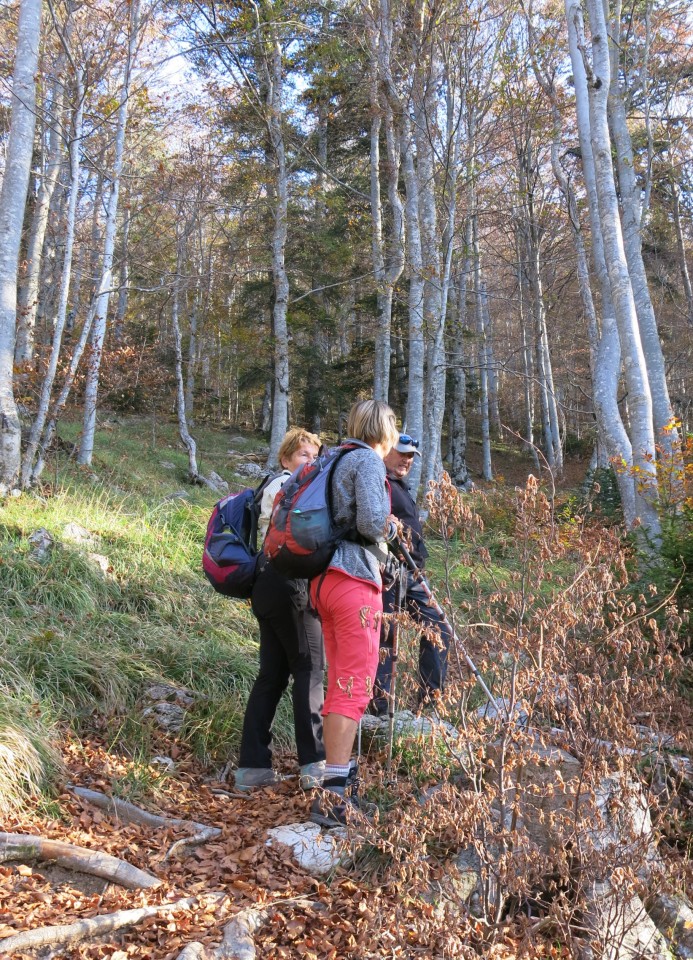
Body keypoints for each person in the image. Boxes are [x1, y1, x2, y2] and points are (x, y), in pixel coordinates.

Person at [309, 399, 400, 828]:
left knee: (338, 685)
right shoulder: (366, 459)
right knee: (354, 686)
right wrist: (392, 528)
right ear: (385, 430)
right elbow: (371, 521)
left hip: (324, 579)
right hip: (354, 581)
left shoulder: (333, 457)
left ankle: (336, 781)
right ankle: (334, 796)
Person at [234, 428, 326, 792]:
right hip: (290, 585)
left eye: (315, 455)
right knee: (309, 668)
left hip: (265, 584)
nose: (311, 461)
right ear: (286, 458)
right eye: (304, 454)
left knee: (271, 675)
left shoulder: (270, 485)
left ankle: (252, 767)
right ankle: (315, 765)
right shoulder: (290, 486)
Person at [371, 434, 452, 716]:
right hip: (387, 569)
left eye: (411, 457)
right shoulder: (378, 481)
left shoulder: (398, 485)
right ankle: (378, 708)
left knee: (438, 627)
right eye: (401, 453)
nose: (407, 460)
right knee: (384, 635)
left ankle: (430, 703)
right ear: (385, 450)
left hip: (412, 572)